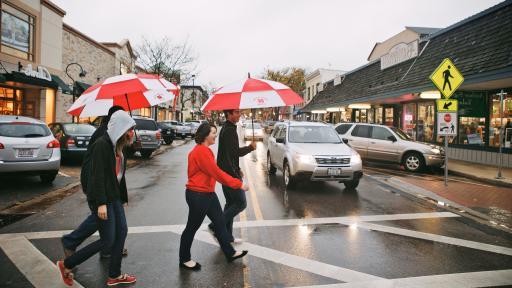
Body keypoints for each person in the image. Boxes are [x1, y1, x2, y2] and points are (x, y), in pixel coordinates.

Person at [57, 110, 137, 287]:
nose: (132, 133)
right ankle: (66, 264)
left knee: (121, 232)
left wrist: (123, 198)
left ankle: (114, 275)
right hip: (103, 199)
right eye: (130, 129)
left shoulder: (118, 147)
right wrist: (101, 204)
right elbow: (98, 176)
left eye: (133, 129)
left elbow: (119, 178)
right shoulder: (102, 145)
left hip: (114, 197)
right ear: (121, 128)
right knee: (107, 240)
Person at [61, 106, 128, 259]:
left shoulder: (115, 135)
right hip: (94, 182)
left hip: (105, 185)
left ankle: (108, 247)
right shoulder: (103, 135)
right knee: (100, 218)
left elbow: (117, 167)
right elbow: (98, 169)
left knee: (104, 218)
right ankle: (71, 242)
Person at [179, 123, 249, 271]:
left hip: (207, 193)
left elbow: (212, 172)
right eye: (213, 133)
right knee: (192, 227)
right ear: (205, 135)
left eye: (216, 133)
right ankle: (184, 259)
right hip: (198, 195)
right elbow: (216, 173)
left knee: (220, 223)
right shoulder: (202, 152)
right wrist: (238, 184)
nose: (215, 135)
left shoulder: (203, 151)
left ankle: (230, 253)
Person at [209, 109, 256, 243]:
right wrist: (251, 147)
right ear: (229, 114)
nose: (239, 114)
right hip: (229, 174)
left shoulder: (227, 128)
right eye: (236, 112)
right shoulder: (229, 130)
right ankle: (216, 226)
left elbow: (228, 154)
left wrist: (238, 167)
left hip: (227, 171)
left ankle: (227, 236)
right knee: (241, 203)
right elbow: (236, 152)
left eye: (239, 112)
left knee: (230, 204)